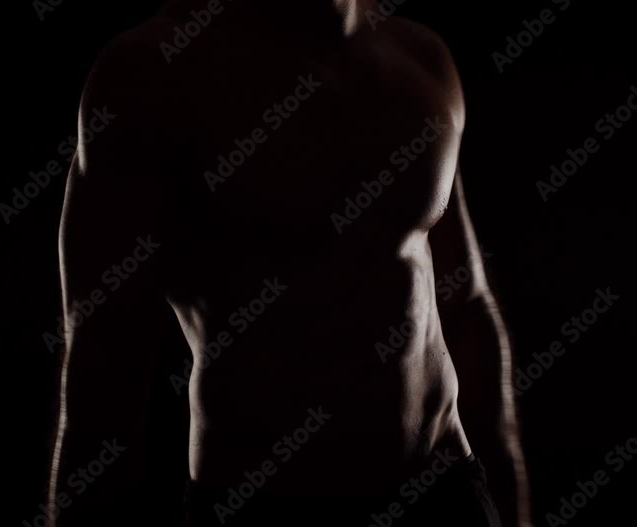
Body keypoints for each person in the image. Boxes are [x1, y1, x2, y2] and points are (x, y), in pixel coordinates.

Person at [47, 1, 530, 525]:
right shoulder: (152, 74)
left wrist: (511, 508)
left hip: (444, 490)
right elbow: (103, 366)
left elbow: (466, 303)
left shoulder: (420, 56)